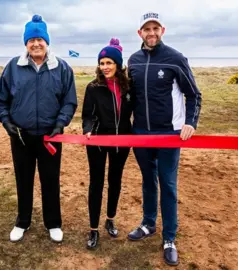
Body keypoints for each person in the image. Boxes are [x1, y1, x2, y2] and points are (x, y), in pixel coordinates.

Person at [0, 14, 78, 243]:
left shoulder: (61, 67)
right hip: (21, 136)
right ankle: (22, 221)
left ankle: (53, 223)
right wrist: (7, 122)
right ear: (26, 43)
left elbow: (69, 101)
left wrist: (60, 124)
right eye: (32, 40)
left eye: (40, 39)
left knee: (50, 180)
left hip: (51, 137)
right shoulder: (13, 67)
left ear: (47, 42)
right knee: (23, 179)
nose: (36, 43)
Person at [126, 12, 202, 266]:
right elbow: (130, 97)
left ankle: (169, 237)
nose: (151, 32)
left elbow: (194, 95)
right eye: (146, 29)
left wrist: (190, 122)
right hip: (140, 134)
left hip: (169, 134)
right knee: (148, 181)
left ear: (162, 30)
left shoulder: (175, 59)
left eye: (155, 28)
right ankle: (149, 223)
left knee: (167, 184)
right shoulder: (133, 61)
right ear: (140, 33)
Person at [81, 38, 133, 249]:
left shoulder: (129, 87)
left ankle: (110, 219)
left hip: (123, 141)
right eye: (102, 63)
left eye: (109, 63)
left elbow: (135, 111)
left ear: (118, 65)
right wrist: (88, 129)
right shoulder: (93, 87)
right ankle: (93, 229)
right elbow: (87, 115)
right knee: (96, 183)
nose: (105, 67)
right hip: (98, 142)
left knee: (115, 180)